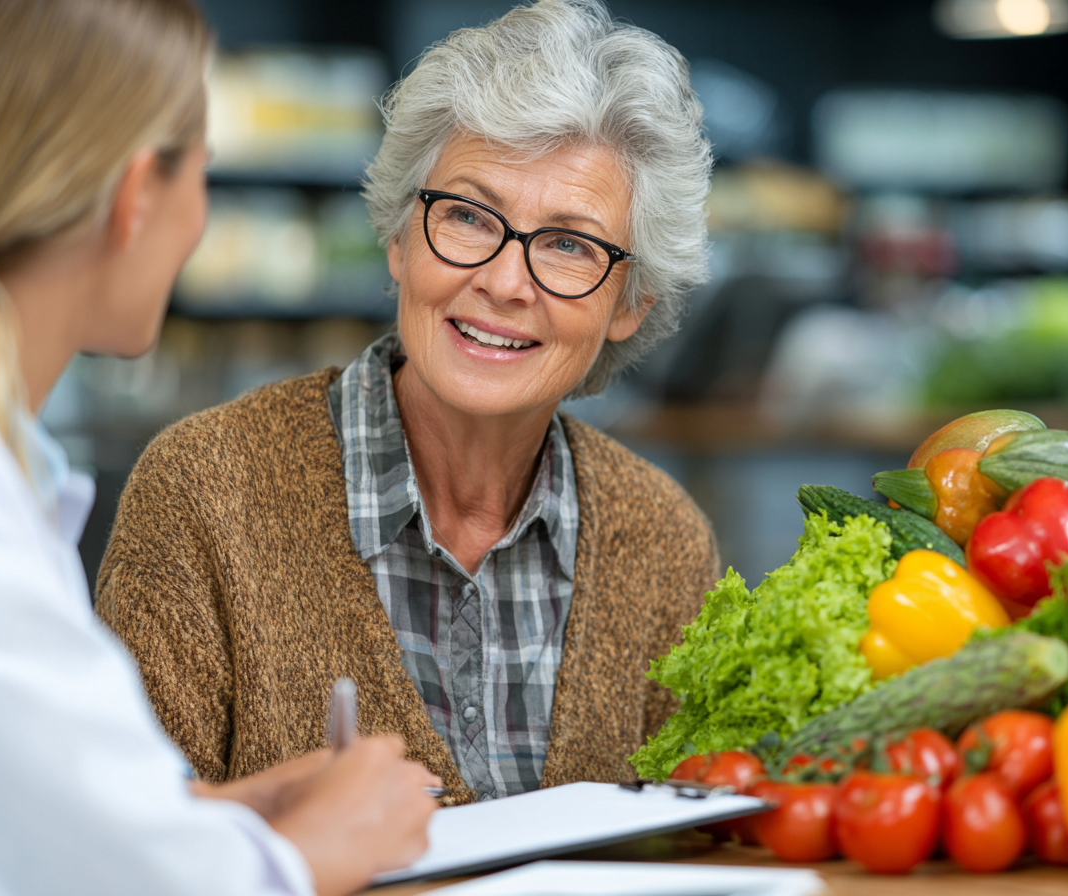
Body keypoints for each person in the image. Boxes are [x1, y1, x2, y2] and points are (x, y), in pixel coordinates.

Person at [96, 0, 719, 803]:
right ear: (398, 238)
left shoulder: (664, 543)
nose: (502, 280)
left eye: (568, 244)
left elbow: (700, 848)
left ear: (630, 301)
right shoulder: (201, 492)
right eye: (466, 215)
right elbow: (119, 846)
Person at [0, 1, 440, 894]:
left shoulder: (8, 479)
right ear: (137, 193)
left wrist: (205, 817)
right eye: (204, 178)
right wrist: (306, 851)